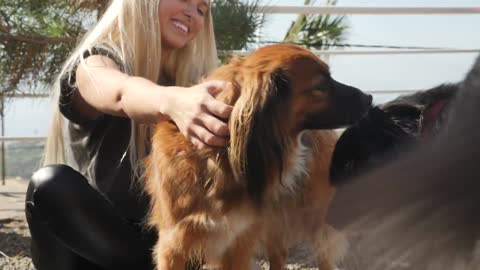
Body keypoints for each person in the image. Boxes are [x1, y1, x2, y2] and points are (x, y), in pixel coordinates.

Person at [25, 1, 232, 269]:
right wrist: (172, 101)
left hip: (163, 243)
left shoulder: (192, 85)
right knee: (50, 184)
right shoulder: (93, 63)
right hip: (92, 249)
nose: (192, 13)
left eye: (202, 10)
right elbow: (121, 93)